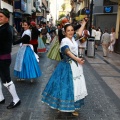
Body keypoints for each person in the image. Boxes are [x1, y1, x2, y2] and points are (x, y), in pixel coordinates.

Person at [42, 19, 88, 116]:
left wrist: (83, 23)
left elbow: (79, 33)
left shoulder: (73, 38)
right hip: (67, 67)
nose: (71, 32)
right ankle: (62, 106)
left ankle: (72, 107)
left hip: (75, 66)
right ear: (65, 32)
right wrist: (77, 59)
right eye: (68, 30)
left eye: (72, 30)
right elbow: (67, 51)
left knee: (74, 88)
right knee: (66, 87)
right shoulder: (64, 40)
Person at [0, 8, 21, 109]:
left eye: (1, 16)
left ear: (7, 18)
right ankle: (0, 98)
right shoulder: (4, 28)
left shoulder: (5, 29)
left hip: (3, 59)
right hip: (3, 57)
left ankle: (16, 99)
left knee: (6, 81)